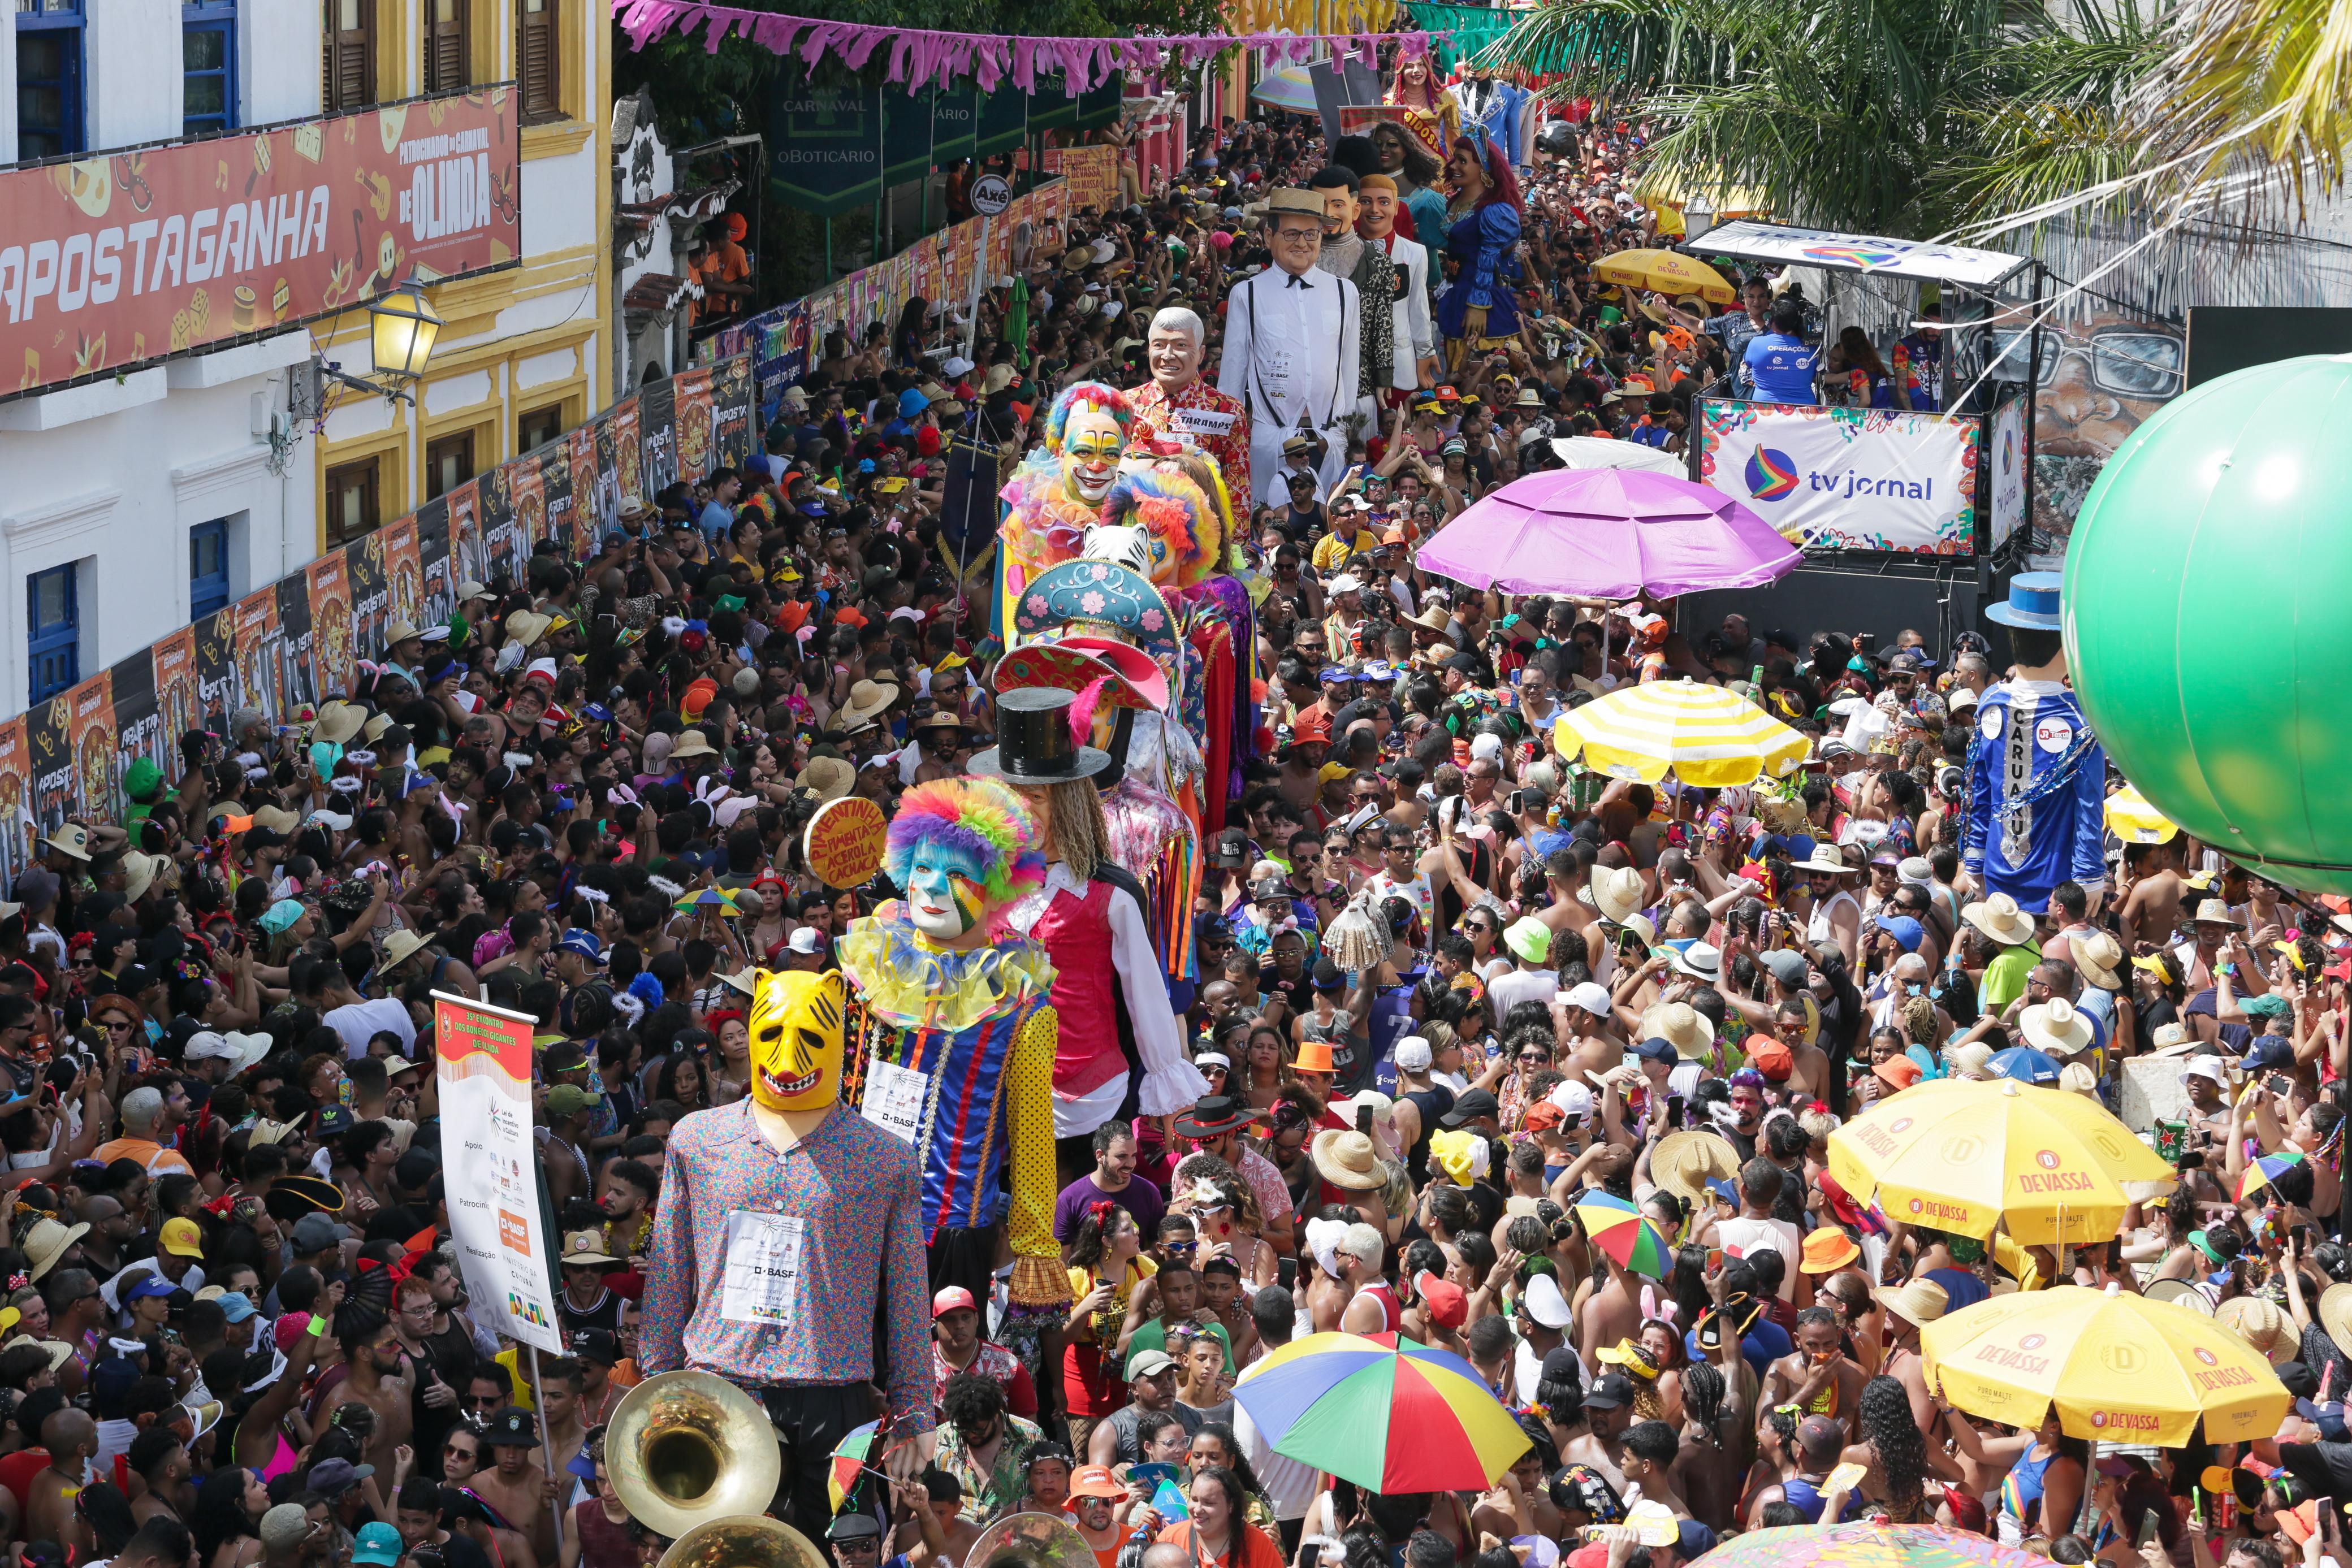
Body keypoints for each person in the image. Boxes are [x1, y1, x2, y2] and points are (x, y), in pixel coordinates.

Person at [1218, 189, 1363, 506]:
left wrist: (1343, 432)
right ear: (1269, 235)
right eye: (1292, 233)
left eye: (1311, 234)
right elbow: (1232, 374)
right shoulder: (1248, 293)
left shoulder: (1344, 292)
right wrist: (1229, 440)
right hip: (1271, 438)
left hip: (1328, 438)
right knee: (1269, 525)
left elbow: (1349, 367)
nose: (1302, 243)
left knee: (1330, 525)